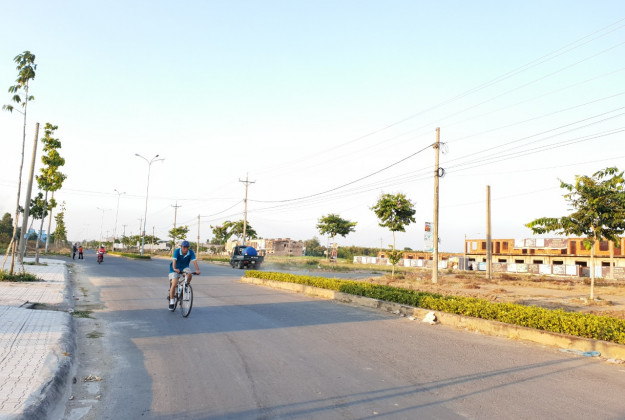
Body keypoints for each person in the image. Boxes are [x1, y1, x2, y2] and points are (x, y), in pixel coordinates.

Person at [169, 240, 200, 311]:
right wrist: (174, 268)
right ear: (181, 247)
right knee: (174, 284)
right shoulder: (177, 251)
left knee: (190, 274)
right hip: (175, 268)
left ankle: (185, 287)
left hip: (184, 268)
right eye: (184, 247)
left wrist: (197, 270)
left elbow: (194, 261)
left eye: (187, 247)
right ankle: (172, 301)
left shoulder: (191, 252)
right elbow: (174, 261)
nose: (185, 249)